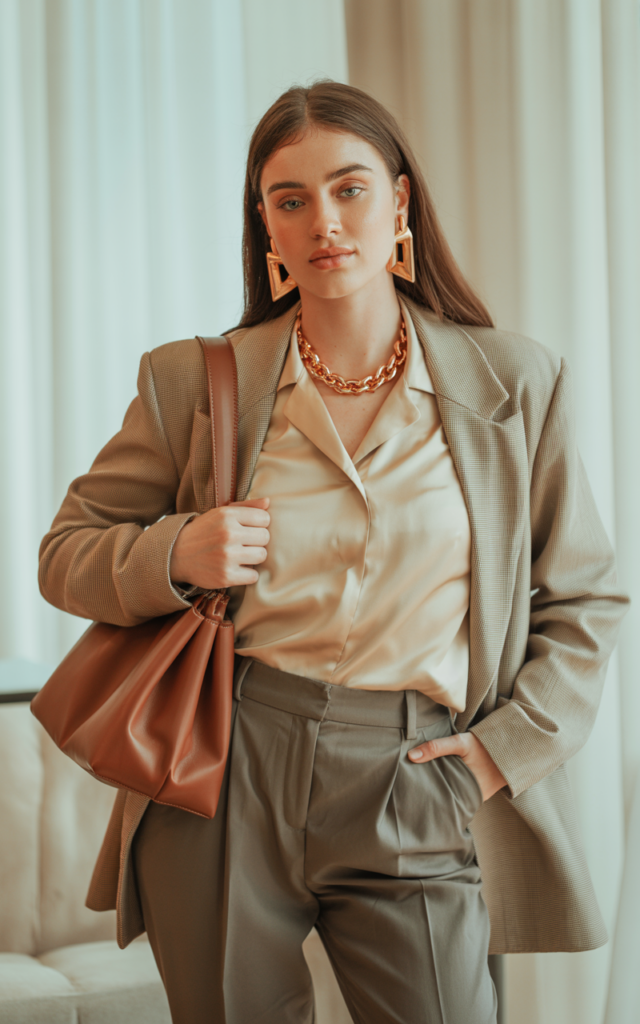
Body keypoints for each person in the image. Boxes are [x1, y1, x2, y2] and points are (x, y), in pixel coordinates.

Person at [39, 81, 628, 1024]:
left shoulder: (515, 383)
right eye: (291, 199)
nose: (324, 221)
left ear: (399, 202)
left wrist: (497, 754)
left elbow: (585, 598)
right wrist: (178, 551)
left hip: (418, 770)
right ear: (265, 224)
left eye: (350, 188)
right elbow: (65, 552)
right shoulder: (193, 380)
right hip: (227, 768)